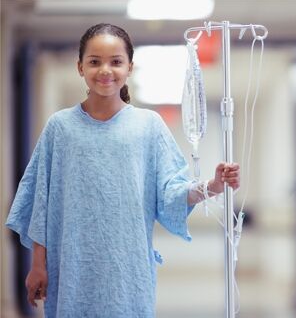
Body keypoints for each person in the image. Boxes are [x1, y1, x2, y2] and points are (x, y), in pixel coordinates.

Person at [6, 23, 240, 318]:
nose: (105, 70)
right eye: (94, 61)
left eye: (116, 62)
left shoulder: (148, 127)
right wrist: (37, 264)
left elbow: (172, 191)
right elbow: (41, 202)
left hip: (128, 274)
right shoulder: (60, 128)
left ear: (130, 67)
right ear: (80, 67)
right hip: (72, 271)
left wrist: (212, 185)